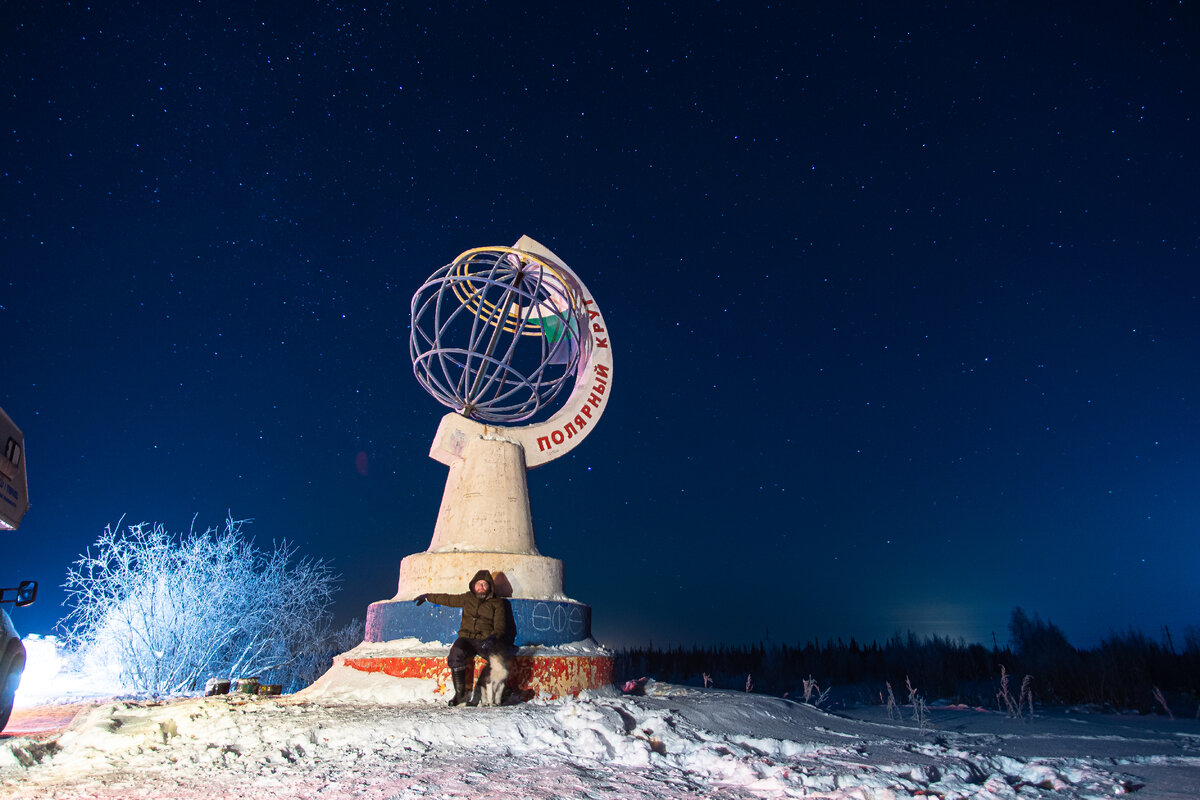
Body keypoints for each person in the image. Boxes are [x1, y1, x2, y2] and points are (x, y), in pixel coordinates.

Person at [414, 569, 507, 706]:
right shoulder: (468, 597)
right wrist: (428, 597)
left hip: (485, 639)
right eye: (478, 584)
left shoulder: (497, 603)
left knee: (497, 660)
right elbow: (448, 599)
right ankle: (460, 696)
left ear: (489, 587)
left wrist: (493, 638)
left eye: (484, 584)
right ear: (473, 585)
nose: (481, 587)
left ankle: (488, 694)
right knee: (456, 653)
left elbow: (500, 625)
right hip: (466, 638)